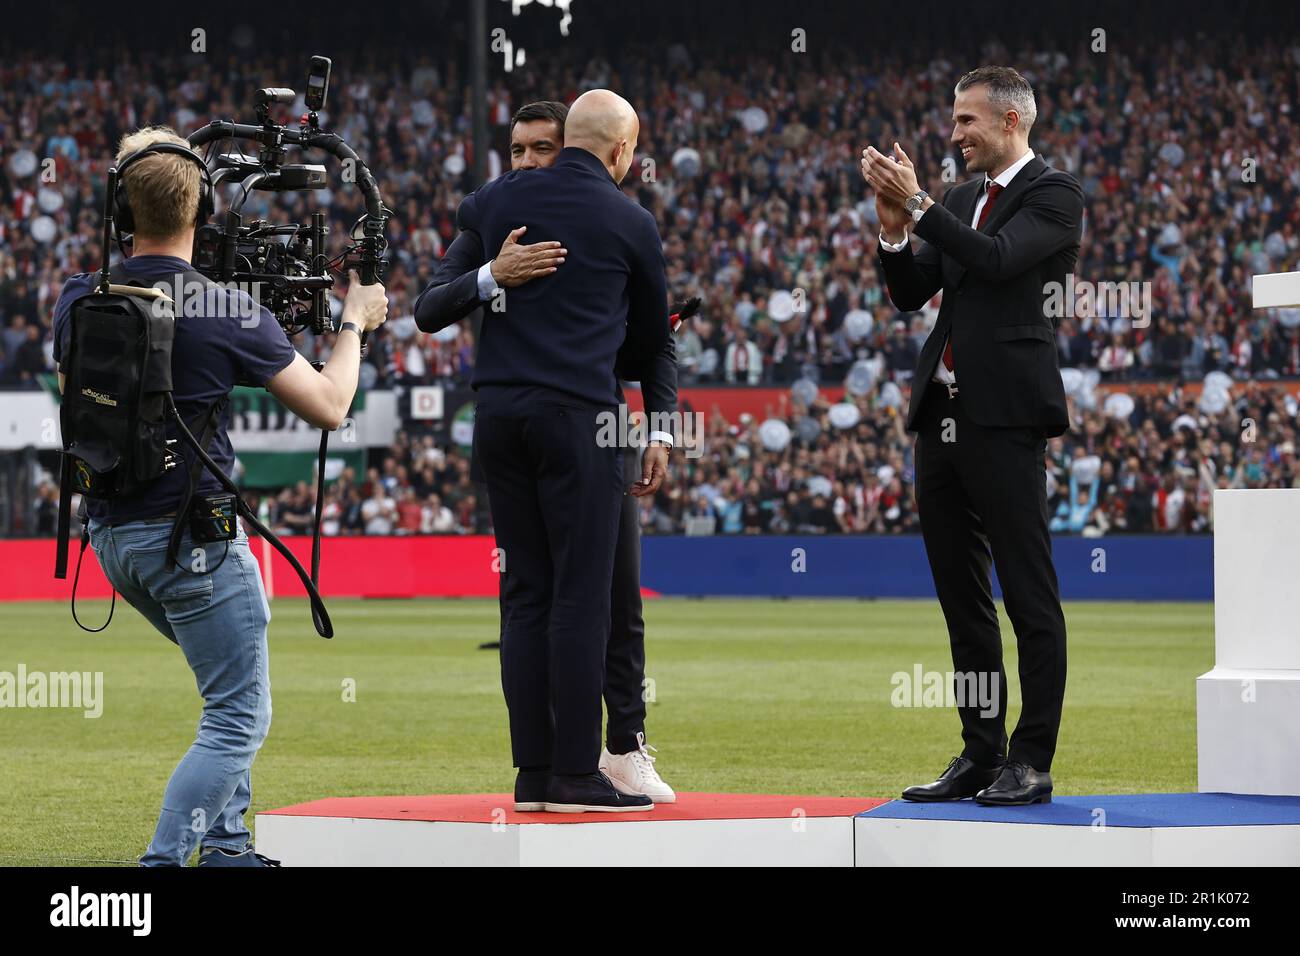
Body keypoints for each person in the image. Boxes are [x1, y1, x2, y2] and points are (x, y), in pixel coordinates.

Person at [52, 126, 389, 865]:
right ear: (204, 211)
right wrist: (355, 324)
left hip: (111, 539)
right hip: (192, 539)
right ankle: (163, 862)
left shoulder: (79, 297)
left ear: (120, 212)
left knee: (226, 691)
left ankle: (229, 846)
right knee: (240, 713)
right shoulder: (231, 310)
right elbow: (331, 404)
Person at [415, 101, 678, 803]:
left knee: (525, 595)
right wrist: (659, 423)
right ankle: (572, 772)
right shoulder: (630, 221)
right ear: (621, 150)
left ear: (565, 145)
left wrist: (490, 277)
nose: (529, 158)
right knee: (582, 599)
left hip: (499, 417)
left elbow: (427, 309)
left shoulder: (492, 202)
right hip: (579, 421)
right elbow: (653, 342)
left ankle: (533, 774)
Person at [862, 66, 1081, 806]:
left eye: (966, 122)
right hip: (941, 418)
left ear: (1010, 123)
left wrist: (919, 204)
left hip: (1008, 416)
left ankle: (1033, 759)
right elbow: (908, 294)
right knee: (962, 597)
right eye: (954, 121)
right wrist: (895, 232)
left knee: (1028, 593)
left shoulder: (1054, 194)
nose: (954, 135)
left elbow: (993, 261)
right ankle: (981, 754)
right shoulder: (957, 200)